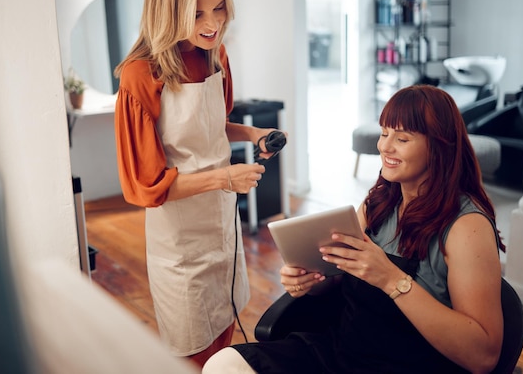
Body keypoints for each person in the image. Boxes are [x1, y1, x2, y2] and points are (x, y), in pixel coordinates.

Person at [203, 84, 506, 374]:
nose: (384, 146)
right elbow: (340, 279)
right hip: (341, 353)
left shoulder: (468, 228)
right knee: (223, 364)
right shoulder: (380, 202)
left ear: (439, 146)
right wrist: (311, 280)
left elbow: (482, 357)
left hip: (408, 364)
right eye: (385, 132)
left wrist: (391, 279)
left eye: (402, 138)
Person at [113, 0, 283, 368]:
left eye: (219, 8)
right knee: (192, 351)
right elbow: (147, 187)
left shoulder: (216, 54)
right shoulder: (139, 77)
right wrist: (224, 178)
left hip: (222, 226)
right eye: (197, 14)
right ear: (167, 10)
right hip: (181, 241)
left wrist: (252, 133)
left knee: (226, 330)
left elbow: (212, 125)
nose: (213, 24)